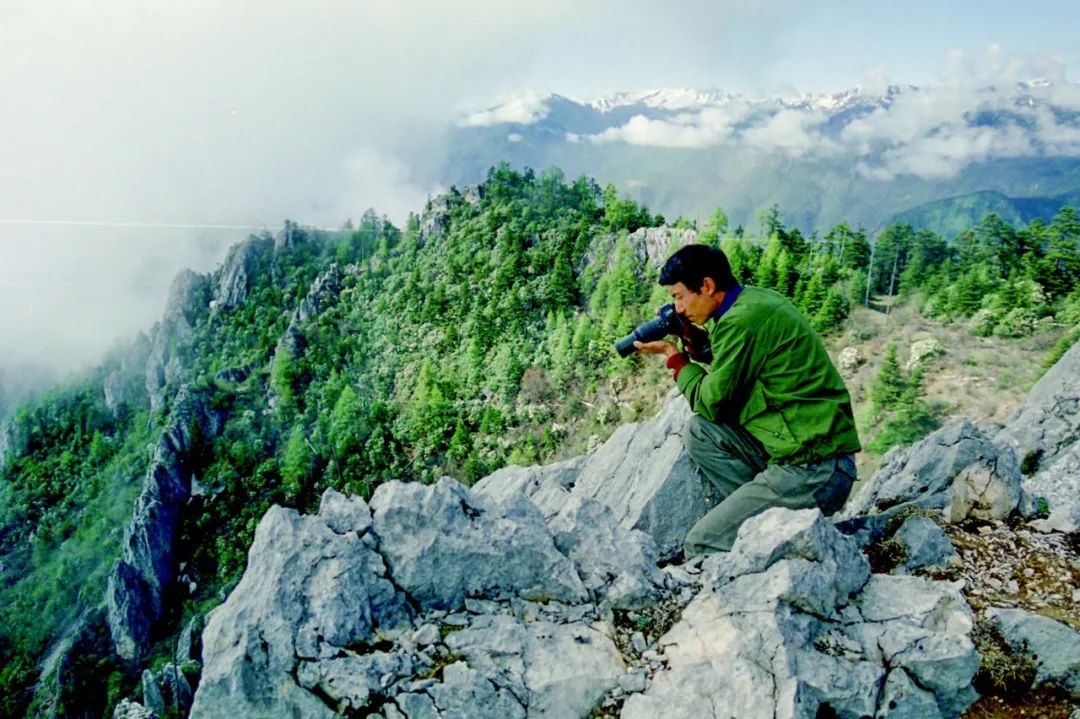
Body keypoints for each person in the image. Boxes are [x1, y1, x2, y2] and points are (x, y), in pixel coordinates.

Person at [634, 243, 861, 557]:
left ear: (707, 286)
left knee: (701, 543)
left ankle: (778, 528)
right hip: (799, 452)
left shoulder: (741, 322)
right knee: (701, 433)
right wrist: (693, 342)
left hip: (815, 470)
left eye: (679, 297)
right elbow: (732, 365)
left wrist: (673, 357)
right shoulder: (751, 301)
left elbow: (710, 401)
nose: (680, 309)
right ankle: (765, 519)